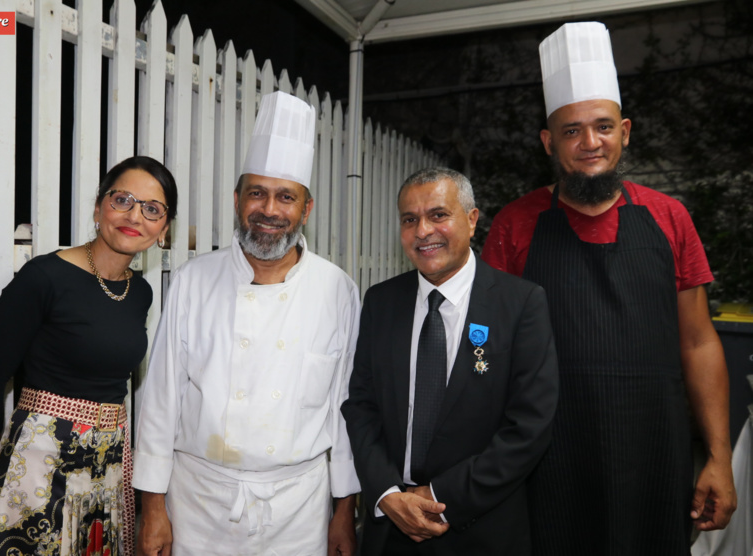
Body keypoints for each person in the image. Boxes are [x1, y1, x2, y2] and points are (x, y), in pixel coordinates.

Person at [481, 21, 737, 555]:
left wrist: (718, 457)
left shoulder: (670, 218)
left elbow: (698, 341)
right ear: (550, 142)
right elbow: (487, 344)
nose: (589, 142)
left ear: (625, 130)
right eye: (572, 131)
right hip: (548, 454)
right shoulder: (515, 224)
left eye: (602, 126)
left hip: (653, 452)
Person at [132, 91, 360, 556]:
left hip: (299, 511)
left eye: (286, 197)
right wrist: (152, 508)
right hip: (198, 503)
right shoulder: (195, 280)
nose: (270, 210)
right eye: (257, 193)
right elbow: (160, 400)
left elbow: (345, 409)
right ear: (238, 200)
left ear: (306, 209)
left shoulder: (337, 288)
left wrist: (344, 511)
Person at [342, 167, 559, 555]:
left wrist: (440, 496)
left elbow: (529, 426)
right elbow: (361, 406)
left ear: (472, 220)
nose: (423, 230)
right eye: (410, 219)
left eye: (438, 215)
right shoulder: (381, 301)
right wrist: (388, 493)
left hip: (481, 528)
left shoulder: (521, 303)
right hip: (392, 528)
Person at [0, 155, 178, 556]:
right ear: (99, 206)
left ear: (163, 229)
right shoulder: (43, 278)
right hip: (35, 471)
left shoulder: (141, 293)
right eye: (123, 200)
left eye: (152, 209)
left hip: (105, 472)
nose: (135, 215)